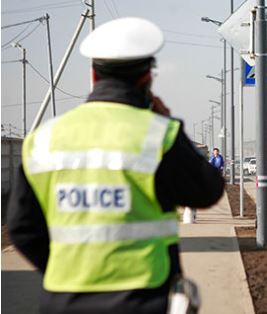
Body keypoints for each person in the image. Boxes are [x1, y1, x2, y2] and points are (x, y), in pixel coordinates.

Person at [7, 17, 225, 314]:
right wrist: (170, 125)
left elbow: (21, 228)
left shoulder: (43, 139)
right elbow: (207, 190)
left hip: (64, 300)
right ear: (147, 78)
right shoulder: (157, 135)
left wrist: (64, 272)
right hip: (142, 299)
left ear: (93, 76)